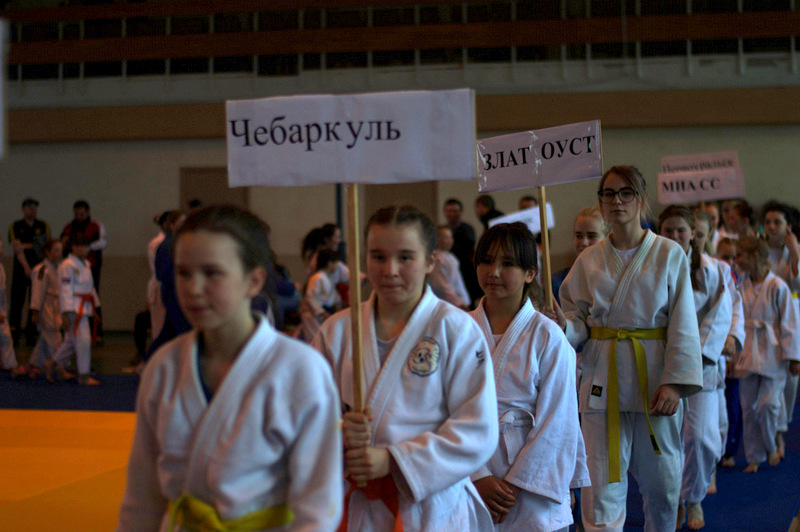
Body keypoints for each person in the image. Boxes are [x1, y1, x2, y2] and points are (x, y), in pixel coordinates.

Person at [117, 205, 343, 532]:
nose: (193, 288)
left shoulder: (300, 370)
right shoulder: (164, 367)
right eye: (183, 273)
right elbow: (142, 499)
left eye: (212, 273)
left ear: (254, 281)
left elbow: (318, 509)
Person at [312, 205, 498, 531]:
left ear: (430, 261)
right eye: (378, 257)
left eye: (405, 258)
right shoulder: (336, 332)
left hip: (431, 509)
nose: (390, 270)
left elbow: (477, 429)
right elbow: (304, 418)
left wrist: (394, 460)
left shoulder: (455, 329)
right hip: (357, 506)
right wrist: (338, 433)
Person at [552, 166, 703, 532]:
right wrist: (564, 327)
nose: (616, 201)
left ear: (642, 199)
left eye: (625, 193)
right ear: (601, 201)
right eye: (608, 194)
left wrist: (675, 382)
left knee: (663, 486)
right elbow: (578, 324)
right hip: (603, 383)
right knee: (600, 490)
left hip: (655, 383)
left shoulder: (669, 254)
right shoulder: (588, 260)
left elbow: (683, 323)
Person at [469, 222, 589, 531]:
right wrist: (478, 476)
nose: (494, 272)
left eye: (507, 263)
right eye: (486, 261)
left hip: (532, 485)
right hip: (470, 475)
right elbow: (442, 410)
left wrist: (513, 488)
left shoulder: (548, 336)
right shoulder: (457, 330)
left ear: (530, 273)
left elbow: (558, 420)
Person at [658, 206, 732, 530]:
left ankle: (694, 497)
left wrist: (694, 358)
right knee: (666, 443)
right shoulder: (649, 267)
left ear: (693, 234)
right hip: (662, 368)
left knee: (701, 440)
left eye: (681, 231)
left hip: (701, 367)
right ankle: (673, 500)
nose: (675, 237)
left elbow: (721, 316)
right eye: (668, 231)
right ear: (659, 233)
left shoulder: (712, 270)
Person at [731, 236, 800, 473]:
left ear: (755, 256)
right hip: (747, 350)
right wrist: (731, 356)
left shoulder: (777, 285)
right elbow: (734, 320)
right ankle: (754, 456)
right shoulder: (741, 285)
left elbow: (790, 324)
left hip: (774, 352)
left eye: (741, 255)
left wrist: (794, 357)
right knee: (748, 408)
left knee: (768, 405)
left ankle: (771, 445)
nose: (737, 260)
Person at [760, 200, 800, 460]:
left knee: (790, 382)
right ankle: (774, 433)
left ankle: (780, 429)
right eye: (768, 222)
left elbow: (797, 285)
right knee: (770, 382)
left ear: (788, 227)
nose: (772, 227)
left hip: (792, 321)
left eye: (777, 222)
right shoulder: (759, 250)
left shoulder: (794, 250)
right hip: (765, 323)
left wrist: (794, 254)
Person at [46, 234, 101, 386]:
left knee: (71, 341)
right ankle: (84, 376)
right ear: (74, 247)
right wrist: (66, 312)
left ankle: (52, 363)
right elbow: (65, 289)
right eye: (81, 246)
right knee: (83, 341)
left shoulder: (86, 264)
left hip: (84, 306)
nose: (85, 249)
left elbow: (90, 287)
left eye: (86, 246)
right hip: (74, 309)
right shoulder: (67, 265)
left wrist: (96, 305)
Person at [143, 211, 191, 363]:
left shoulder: (176, 243)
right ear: (171, 225)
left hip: (174, 292)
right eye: (181, 222)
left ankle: (149, 363)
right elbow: (163, 273)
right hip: (172, 292)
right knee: (181, 331)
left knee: (167, 333)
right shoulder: (167, 245)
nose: (184, 226)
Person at [716, 237, 745, 469]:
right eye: (726, 256)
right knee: (719, 410)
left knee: (733, 407)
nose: (731, 261)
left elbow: (738, 320)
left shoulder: (737, 281)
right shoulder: (713, 274)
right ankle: (717, 454)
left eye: (735, 257)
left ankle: (730, 449)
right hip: (716, 354)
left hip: (733, 353)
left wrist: (733, 351)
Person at [8, 197, 50, 347]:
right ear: (23, 209)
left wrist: (26, 245)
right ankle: (14, 333)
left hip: (38, 269)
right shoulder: (15, 225)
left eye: (34, 208)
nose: (32, 211)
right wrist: (26, 266)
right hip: (21, 268)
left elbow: (44, 245)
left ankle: (31, 334)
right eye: (29, 208)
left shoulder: (43, 225)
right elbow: (17, 248)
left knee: (35, 302)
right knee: (16, 302)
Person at [551, 206, 609, 306]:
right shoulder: (558, 281)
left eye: (591, 236)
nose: (583, 242)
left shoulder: (613, 280)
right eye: (579, 236)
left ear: (607, 238)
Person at [26, 240, 64, 378]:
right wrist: (35, 311)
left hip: (55, 307)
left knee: (43, 343)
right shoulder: (41, 270)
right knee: (55, 339)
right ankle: (60, 369)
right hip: (46, 309)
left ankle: (28, 367)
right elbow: (37, 292)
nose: (58, 253)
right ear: (47, 252)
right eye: (56, 250)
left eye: (60, 250)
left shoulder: (58, 268)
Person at [296, 248, 342, 342]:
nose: (337, 266)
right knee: (315, 340)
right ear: (330, 263)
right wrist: (322, 312)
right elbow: (310, 297)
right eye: (336, 263)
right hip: (313, 314)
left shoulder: (325, 277)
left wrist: (336, 305)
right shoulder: (317, 278)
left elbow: (331, 297)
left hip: (321, 313)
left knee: (321, 339)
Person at [444, 198, 480, 305]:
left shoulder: (467, 230)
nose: (452, 214)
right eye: (449, 211)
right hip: (448, 272)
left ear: (460, 212)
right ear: (445, 212)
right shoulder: (444, 230)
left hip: (466, 274)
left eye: (455, 211)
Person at [0, 240, 26, 377]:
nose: (1, 251)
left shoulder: (1, 267)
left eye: (1, 247)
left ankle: (10, 364)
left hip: (1, 309)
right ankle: (9, 364)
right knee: (5, 337)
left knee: (6, 338)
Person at [428, 226, 470, 309]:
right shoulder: (436, 258)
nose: (449, 241)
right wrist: (458, 303)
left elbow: (458, 282)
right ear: (437, 239)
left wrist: (464, 301)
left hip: (460, 301)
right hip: (449, 304)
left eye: (451, 237)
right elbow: (440, 286)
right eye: (446, 238)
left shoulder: (451, 257)